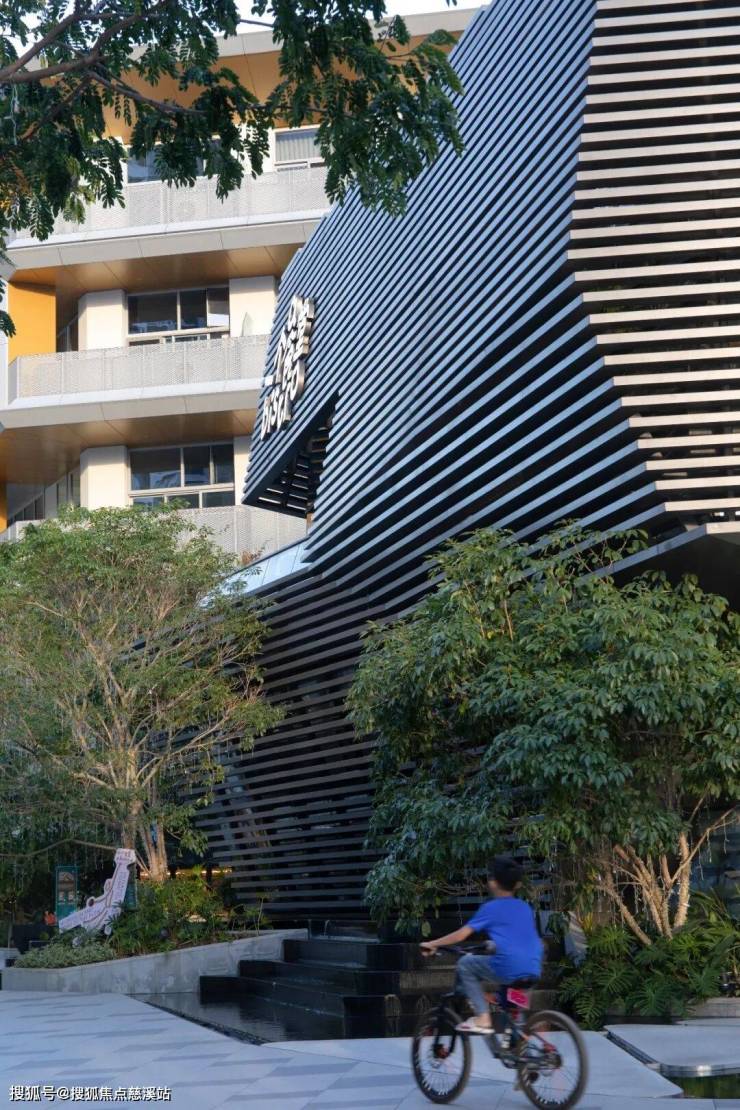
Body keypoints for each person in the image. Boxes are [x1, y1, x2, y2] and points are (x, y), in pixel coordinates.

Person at [420, 855, 543, 1034]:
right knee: (512, 1006)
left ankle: (483, 1017)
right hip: (533, 967)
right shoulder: (525, 907)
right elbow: (518, 937)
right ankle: (518, 1036)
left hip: (509, 967)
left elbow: (461, 935)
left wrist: (433, 943)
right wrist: (494, 945)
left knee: (465, 964)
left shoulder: (491, 908)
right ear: (517, 884)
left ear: (493, 882)